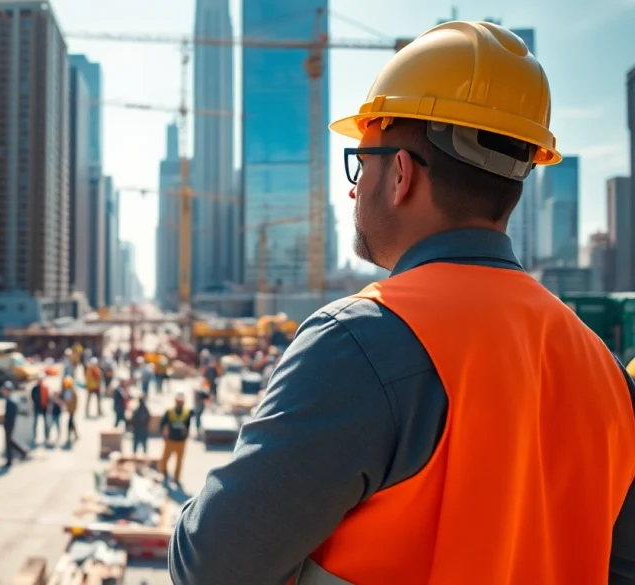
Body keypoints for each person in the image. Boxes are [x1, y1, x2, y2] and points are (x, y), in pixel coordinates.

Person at [168, 21, 635, 585]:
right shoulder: (606, 373)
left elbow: (208, 567)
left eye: (360, 163)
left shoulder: (360, 343)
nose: (352, 186)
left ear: (400, 175)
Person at [159, 392, 191, 486]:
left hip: (181, 441)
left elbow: (188, 426)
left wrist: (185, 436)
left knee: (179, 462)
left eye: (181, 402)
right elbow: (162, 423)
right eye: (178, 401)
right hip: (170, 440)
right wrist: (163, 434)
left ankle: (176, 478)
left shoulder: (186, 412)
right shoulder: (169, 411)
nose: (180, 403)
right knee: (164, 458)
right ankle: (164, 472)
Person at [1, 382, 28, 467]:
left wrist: (6, 424)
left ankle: (10, 460)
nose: (3, 391)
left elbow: (11, 416)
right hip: (9, 424)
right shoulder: (10, 399)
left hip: (9, 424)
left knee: (8, 443)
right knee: (10, 442)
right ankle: (22, 451)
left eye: (5, 390)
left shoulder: (11, 401)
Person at [30, 372, 50, 445]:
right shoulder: (34, 389)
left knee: (46, 424)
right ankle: (34, 437)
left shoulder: (45, 388)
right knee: (35, 423)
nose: (40, 381)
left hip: (44, 408)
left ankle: (46, 438)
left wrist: (48, 407)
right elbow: (32, 398)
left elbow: (48, 398)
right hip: (36, 408)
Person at [61, 377, 79, 446]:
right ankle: (76, 434)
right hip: (70, 410)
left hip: (72, 410)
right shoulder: (68, 391)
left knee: (70, 423)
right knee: (72, 422)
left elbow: (72, 402)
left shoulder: (72, 392)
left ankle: (69, 436)